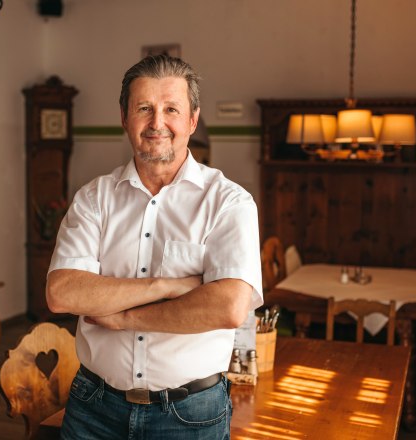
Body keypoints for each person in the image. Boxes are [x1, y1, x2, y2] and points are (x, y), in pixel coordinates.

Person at [46, 54, 262, 439]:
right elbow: (63, 293)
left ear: (192, 120)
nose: (157, 122)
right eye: (144, 108)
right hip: (92, 408)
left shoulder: (229, 202)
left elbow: (229, 307)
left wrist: (125, 318)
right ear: (125, 118)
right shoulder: (94, 198)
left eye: (171, 109)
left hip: (190, 415)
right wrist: (168, 286)